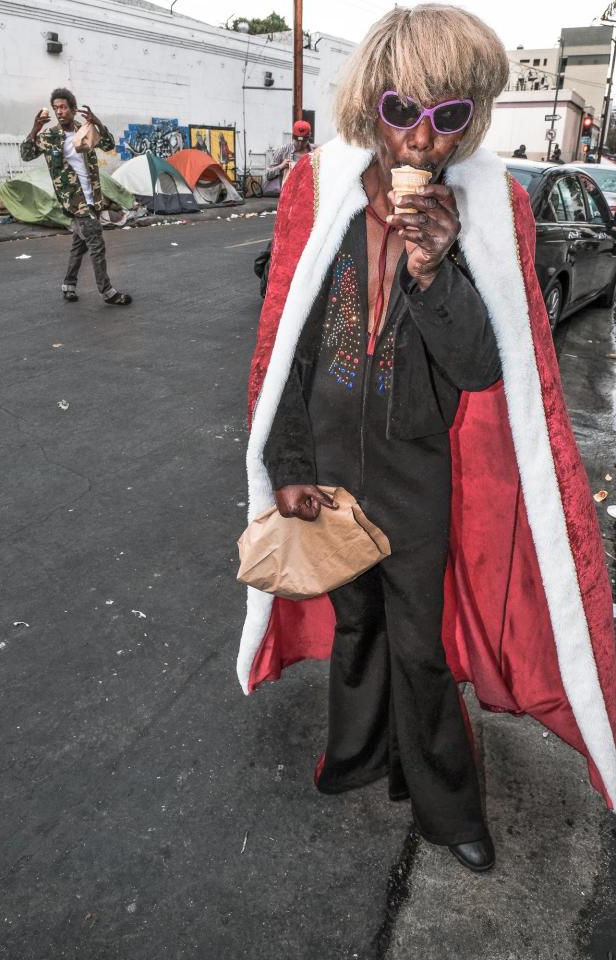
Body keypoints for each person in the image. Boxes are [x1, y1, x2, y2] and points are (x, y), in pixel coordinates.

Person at [238, 4, 616, 874]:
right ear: (373, 103)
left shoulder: (490, 207)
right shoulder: (317, 192)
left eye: (448, 117)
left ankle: (446, 811)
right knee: (356, 620)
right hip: (329, 465)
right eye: (404, 110)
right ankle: (364, 755)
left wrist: (433, 270)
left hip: (417, 473)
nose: (422, 138)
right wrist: (290, 463)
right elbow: (285, 344)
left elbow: (485, 370)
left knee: (417, 642)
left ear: (470, 120)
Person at [20, 88, 131, 306]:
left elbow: (109, 145)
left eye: (62, 107)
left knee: (79, 244)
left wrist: (97, 122)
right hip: (75, 201)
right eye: (55, 108)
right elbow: (26, 155)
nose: (59, 112)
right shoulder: (49, 136)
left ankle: (68, 285)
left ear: (72, 109)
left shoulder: (84, 130)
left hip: (93, 198)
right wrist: (35, 128)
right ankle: (107, 291)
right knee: (97, 244)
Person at [264, 120, 316, 195]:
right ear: (293, 136)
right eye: (297, 140)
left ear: (309, 137)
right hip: (288, 198)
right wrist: (281, 166)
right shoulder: (283, 150)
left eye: (303, 141)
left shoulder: (314, 153)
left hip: (308, 198)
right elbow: (268, 174)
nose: (300, 144)